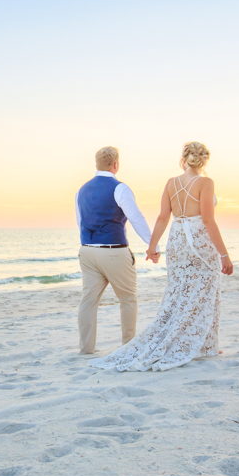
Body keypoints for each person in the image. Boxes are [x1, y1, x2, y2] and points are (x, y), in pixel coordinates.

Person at [89, 141, 232, 372]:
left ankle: (198, 343)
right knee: (204, 291)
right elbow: (208, 220)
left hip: (177, 242)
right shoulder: (206, 182)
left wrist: (153, 246)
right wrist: (224, 254)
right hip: (198, 241)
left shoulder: (171, 183)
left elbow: (163, 218)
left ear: (183, 159)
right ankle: (205, 345)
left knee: (178, 291)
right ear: (204, 160)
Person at [75, 146, 158, 355]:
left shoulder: (81, 190)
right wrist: (152, 246)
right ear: (116, 164)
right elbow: (136, 218)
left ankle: (86, 348)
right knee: (128, 298)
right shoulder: (120, 188)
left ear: (96, 164)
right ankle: (128, 346)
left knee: (89, 300)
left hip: (87, 251)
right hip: (113, 250)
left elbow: (80, 222)